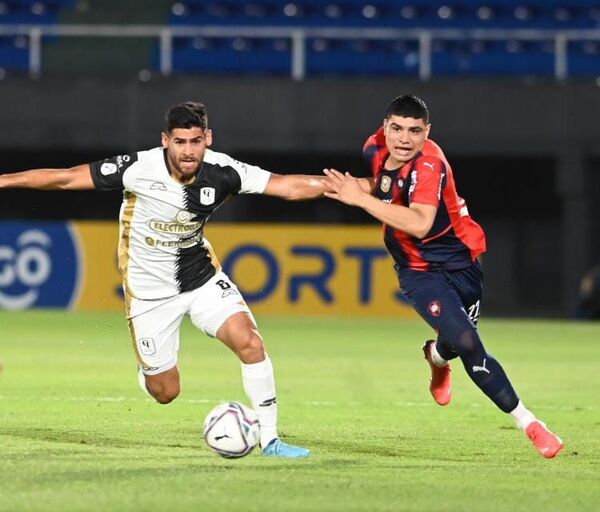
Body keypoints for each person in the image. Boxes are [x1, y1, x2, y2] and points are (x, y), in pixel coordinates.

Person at [0, 101, 329, 458]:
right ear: (165, 141)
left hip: (201, 278)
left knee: (250, 343)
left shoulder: (224, 170)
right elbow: (64, 178)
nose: (188, 151)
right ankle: (148, 370)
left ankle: (270, 440)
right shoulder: (139, 168)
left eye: (196, 141)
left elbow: (287, 187)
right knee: (165, 391)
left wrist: (358, 189)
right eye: (180, 142)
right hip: (149, 294)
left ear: (208, 139)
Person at [323, 94, 563, 458]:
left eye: (415, 131)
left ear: (427, 132)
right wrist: (360, 186)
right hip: (419, 272)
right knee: (468, 343)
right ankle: (530, 424)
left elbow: (419, 223)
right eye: (397, 129)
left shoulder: (429, 165)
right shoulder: (375, 149)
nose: (405, 138)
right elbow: (386, 184)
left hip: (462, 265)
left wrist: (359, 198)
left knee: (453, 342)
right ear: (384, 127)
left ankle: (435, 357)